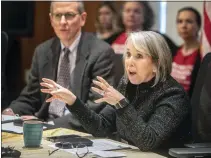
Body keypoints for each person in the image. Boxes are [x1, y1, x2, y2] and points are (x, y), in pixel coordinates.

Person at [40, 31, 191, 151]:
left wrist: (121, 103)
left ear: (156, 64)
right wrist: (73, 101)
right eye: (129, 54)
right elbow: (101, 127)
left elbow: (148, 141)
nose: (130, 61)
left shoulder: (173, 95)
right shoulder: (127, 84)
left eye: (139, 56)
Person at [2, 2, 116, 130]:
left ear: (83, 19)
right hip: (45, 126)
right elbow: (31, 96)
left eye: (69, 15)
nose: (62, 22)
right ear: (51, 19)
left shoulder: (100, 53)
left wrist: (49, 126)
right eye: (58, 15)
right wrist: (9, 113)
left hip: (79, 131)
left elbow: (95, 107)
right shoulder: (43, 51)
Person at [111, 1, 177, 55]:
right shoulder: (113, 39)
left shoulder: (154, 39)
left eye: (136, 11)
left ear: (145, 16)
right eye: (128, 11)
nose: (131, 15)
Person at [171, 7, 202, 98]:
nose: (183, 26)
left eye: (189, 21)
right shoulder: (173, 52)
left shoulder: (203, 54)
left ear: (198, 26)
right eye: (180, 21)